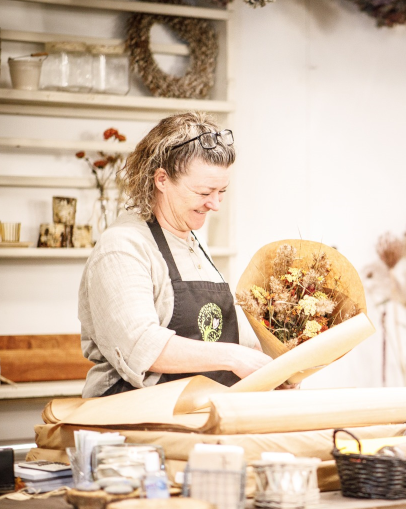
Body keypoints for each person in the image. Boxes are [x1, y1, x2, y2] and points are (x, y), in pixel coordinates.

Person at [79, 112, 271, 398]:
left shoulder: (192, 245)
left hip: (198, 412)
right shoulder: (122, 247)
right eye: (204, 191)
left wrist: (273, 369)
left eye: (222, 191)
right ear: (162, 180)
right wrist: (234, 358)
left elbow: (236, 339)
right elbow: (140, 345)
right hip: (133, 417)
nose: (215, 203)